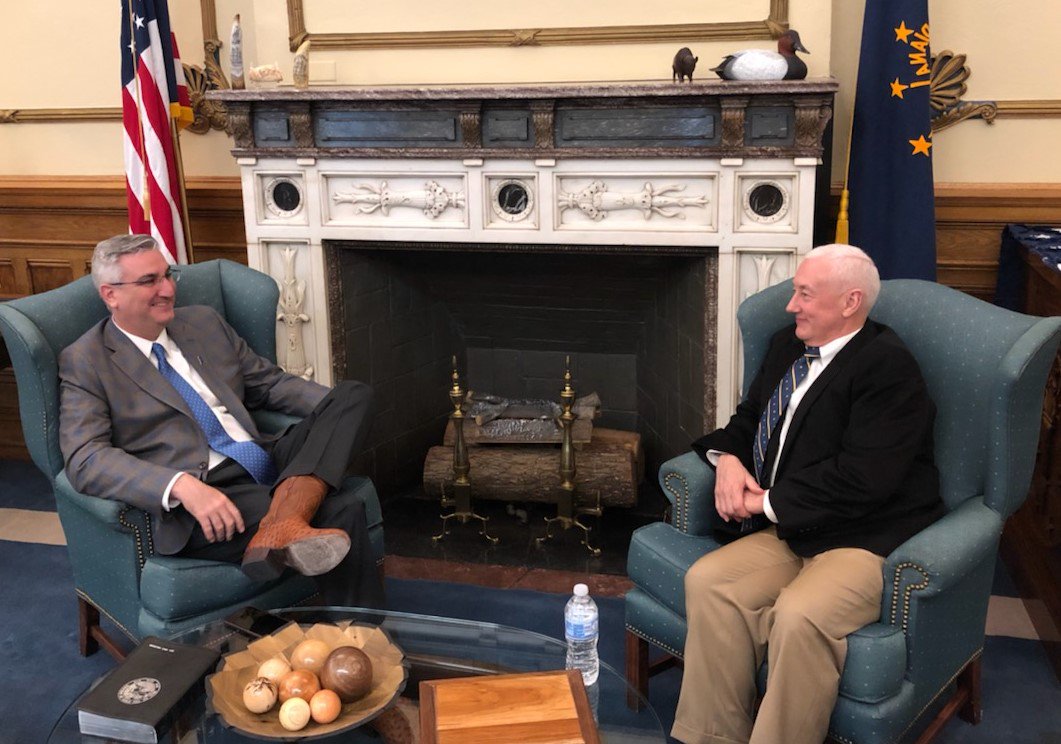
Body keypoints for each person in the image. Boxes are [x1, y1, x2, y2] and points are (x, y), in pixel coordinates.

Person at [671, 244, 945, 744]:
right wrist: (727, 459)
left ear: (850, 301)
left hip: (862, 537)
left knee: (798, 615)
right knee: (709, 582)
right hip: (795, 527)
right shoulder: (787, 345)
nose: (790, 305)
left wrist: (761, 503)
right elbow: (750, 418)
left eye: (804, 294)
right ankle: (711, 736)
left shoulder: (888, 368)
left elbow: (863, 477)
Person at [58, 234, 383, 608]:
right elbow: (85, 458)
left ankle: (282, 522)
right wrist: (180, 486)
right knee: (341, 509)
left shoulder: (203, 322)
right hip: (209, 492)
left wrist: (337, 420)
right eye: (149, 281)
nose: (167, 290)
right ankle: (362, 638)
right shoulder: (87, 360)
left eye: (168, 275)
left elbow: (268, 384)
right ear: (110, 294)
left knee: (353, 395)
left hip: (266, 457)